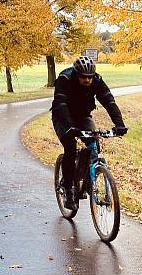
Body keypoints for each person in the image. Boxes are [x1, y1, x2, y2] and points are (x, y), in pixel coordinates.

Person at [51, 56, 127, 210]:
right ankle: (68, 188)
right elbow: (60, 103)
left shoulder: (97, 81)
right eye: (83, 77)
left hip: (83, 116)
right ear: (76, 74)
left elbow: (109, 101)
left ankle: (87, 179)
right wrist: (70, 127)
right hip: (62, 117)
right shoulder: (64, 79)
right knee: (70, 148)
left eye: (89, 77)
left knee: (94, 145)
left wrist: (119, 124)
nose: (87, 80)